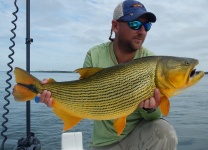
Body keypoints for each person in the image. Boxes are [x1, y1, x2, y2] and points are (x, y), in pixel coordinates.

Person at [38, 0, 178, 149]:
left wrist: (150, 108)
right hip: (102, 143)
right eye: (135, 24)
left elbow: (154, 119)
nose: (142, 31)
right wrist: (54, 95)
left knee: (165, 132)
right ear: (115, 26)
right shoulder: (95, 54)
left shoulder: (150, 61)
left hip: (138, 139)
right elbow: (83, 97)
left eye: (147, 26)